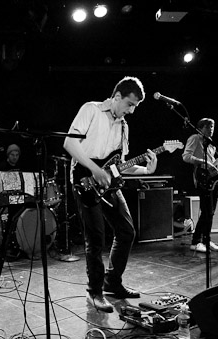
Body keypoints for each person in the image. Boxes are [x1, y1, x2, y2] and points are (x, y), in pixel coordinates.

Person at [63, 76, 157, 313]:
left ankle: (112, 282)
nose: (132, 111)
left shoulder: (124, 125)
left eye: (135, 106)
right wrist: (95, 170)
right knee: (95, 238)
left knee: (126, 231)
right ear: (117, 97)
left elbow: (120, 164)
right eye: (130, 104)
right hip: (85, 178)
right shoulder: (91, 109)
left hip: (109, 183)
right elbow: (69, 144)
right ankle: (94, 291)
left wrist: (147, 170)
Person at [182, 118, 218, 253]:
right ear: (201, 128)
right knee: (206, 212)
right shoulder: (195, 138)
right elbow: (186, 156)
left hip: (214, 181)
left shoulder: (211, 146)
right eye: (209, 126)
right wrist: (202, 162)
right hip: (202, 180)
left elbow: (214, 167)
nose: (212, 129)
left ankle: (206, 240)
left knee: (210, 213)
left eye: (213, 127)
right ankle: (195, 242)